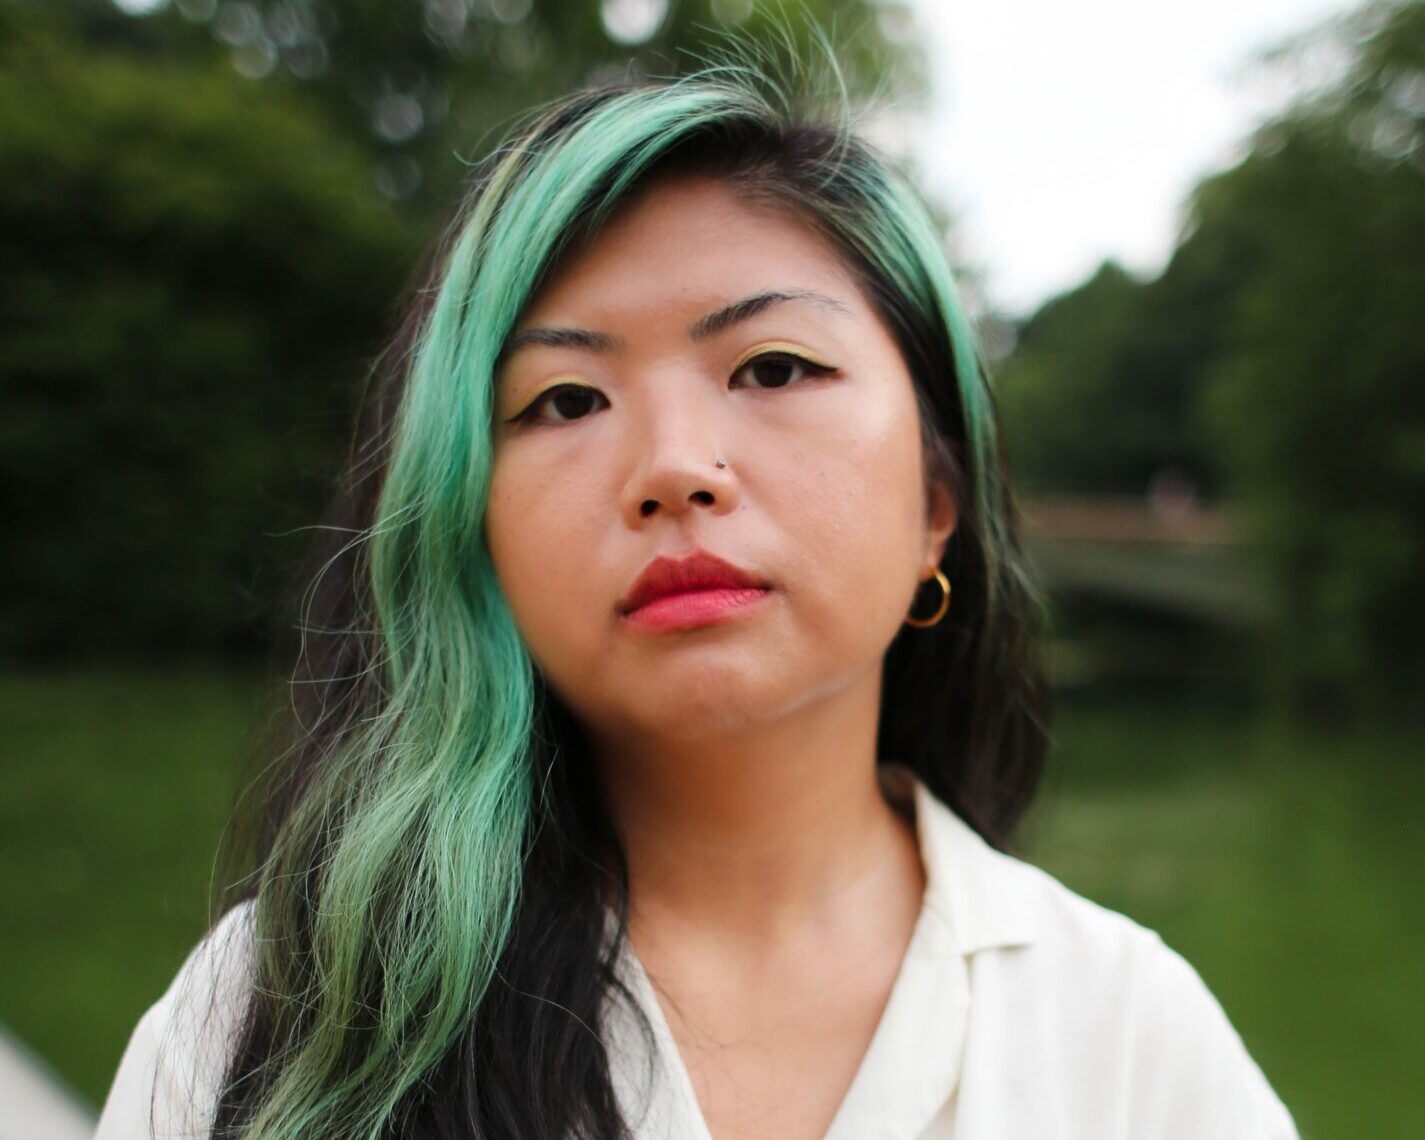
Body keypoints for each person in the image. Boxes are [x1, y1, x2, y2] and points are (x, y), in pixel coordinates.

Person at [92, 55, 1298, 1140]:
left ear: (939, 498)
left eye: (774, 367)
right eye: (565, 400)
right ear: (471, 516)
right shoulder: (298, 1011)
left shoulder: (1127, 1040)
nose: (675, 465)